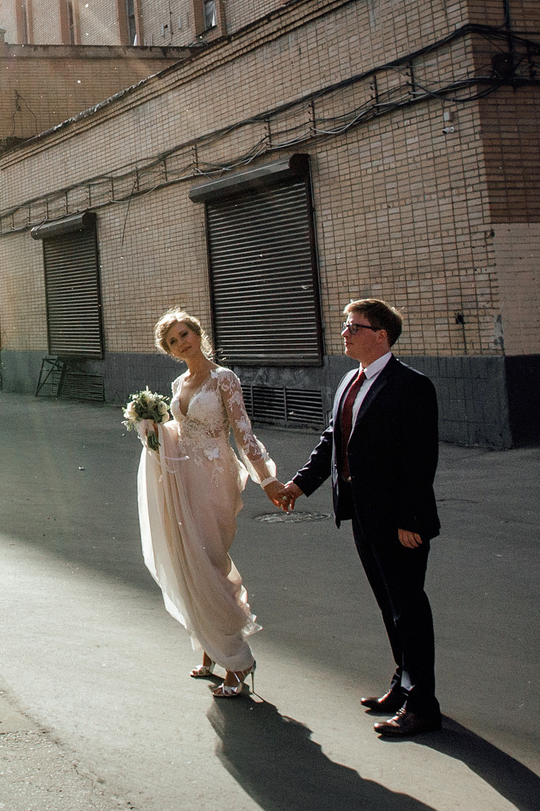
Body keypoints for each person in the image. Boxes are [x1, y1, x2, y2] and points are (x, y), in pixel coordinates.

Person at [266, 296, 445, 738]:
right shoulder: (350, 379)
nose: (344, 333)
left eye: (354, 327)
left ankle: (424, 705)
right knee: (389, 605)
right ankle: (403, 685)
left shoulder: (411, 385)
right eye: (345, 326)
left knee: (408, 608)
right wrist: (299, 485)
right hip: (361, 512)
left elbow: (420, 459)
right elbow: (333, 440)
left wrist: (411, 519)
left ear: (381, 336)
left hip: (399, 521)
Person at [143, 307, 278, 698]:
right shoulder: (178, 382)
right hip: (182, 478)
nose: (181, 343)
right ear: (170, 351)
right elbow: (178, 430)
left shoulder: (224, 379)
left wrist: (267, 478)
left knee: (210, 561)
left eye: (184, 334)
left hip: (215, 477)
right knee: (189, 559)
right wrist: (150, 428)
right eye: (173, 341)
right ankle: (210, 647)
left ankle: (237, 659)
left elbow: (243, 432)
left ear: (197, 333)